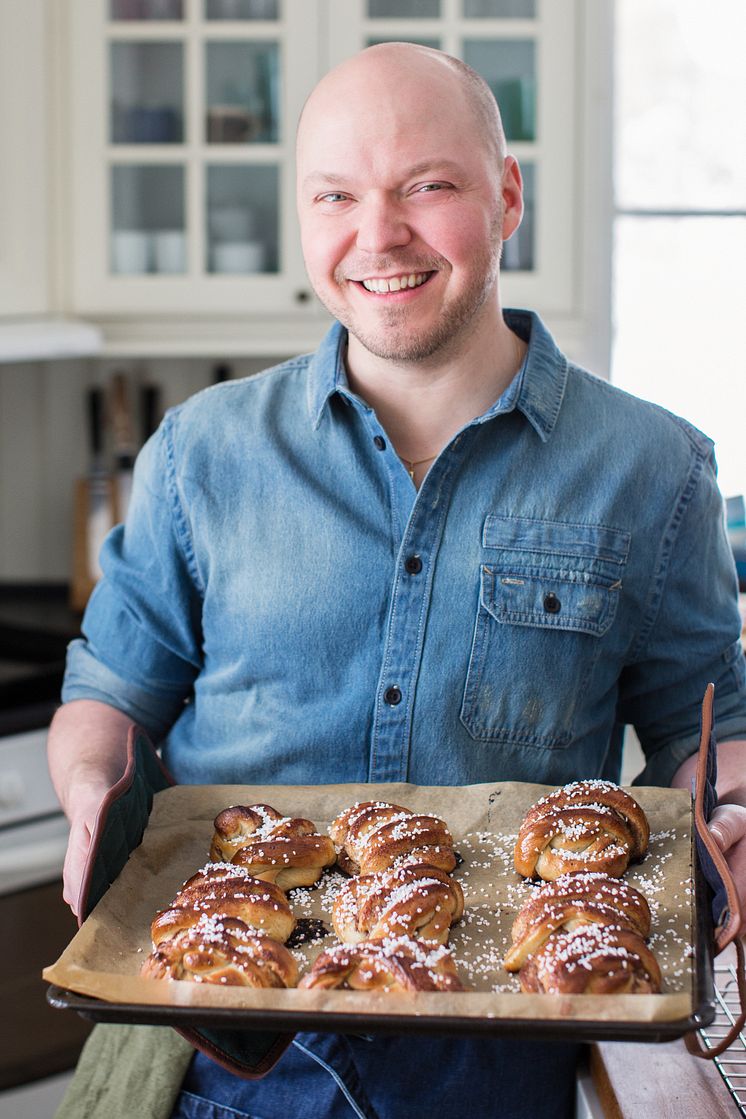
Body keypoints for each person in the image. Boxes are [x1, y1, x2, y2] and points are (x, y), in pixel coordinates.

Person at [49, 42, 746, 1119]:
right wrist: (95, 793)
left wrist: (731, 811)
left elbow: (704, 724)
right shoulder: (203, 453)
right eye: (336, 195)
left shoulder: (652, 468)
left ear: (505, 196)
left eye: (428, 185)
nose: (378, 237)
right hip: (208, 1055)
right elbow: (110, 694)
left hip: (498, 1063)